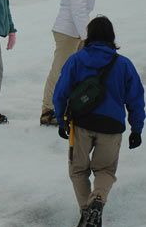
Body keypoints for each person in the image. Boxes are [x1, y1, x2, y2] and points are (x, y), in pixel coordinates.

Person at [53, 16, 144, 227]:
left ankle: (87, 213)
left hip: (81, 125)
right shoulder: (124, 64)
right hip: (111, 127)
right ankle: (97, 201)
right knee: (105, 170)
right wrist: (136, 128)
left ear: (89, 35)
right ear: (111, 37)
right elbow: (136, 98)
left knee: (78, 170)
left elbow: (60, 92)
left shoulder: (76, 59)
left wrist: (60, 120)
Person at [40, 0, 110, 126]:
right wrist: (88, 38)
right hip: (68, 32)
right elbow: (78, 11)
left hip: (75, 32)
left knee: (73, 71)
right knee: (60, 70)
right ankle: (48, 110)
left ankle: (70, 106)